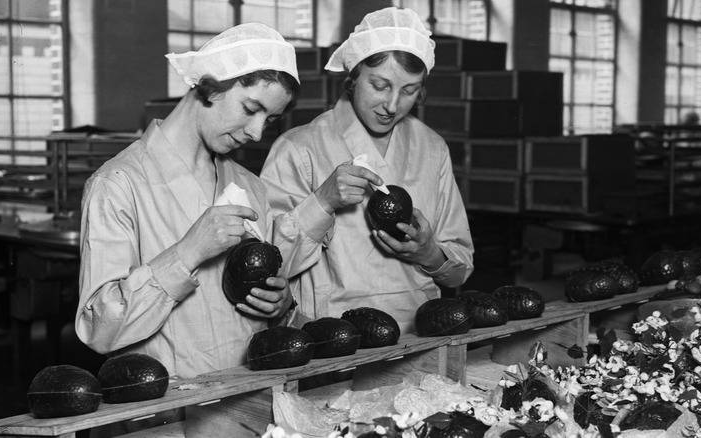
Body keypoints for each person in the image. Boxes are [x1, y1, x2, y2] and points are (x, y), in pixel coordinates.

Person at [77, 23, 304, 437]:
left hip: (246, 408)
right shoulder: (118, 185)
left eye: (268, 120)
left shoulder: (250, 186)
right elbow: (98, 330)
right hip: (160, 418)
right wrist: (186, 253)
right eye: (250, 108)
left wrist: (279, 302)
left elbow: (263, 302)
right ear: (208, 87)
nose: (256, 132)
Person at [260, 7, 474, 385]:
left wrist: (428, 253)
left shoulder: (432, 147)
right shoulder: (298, 148)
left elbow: (460, 267)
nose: (392, 105)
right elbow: (269, 267)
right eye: (379, 85)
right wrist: (322, 202)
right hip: (330, 344)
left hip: (419, 338)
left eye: (408, 91)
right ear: (353, 77)